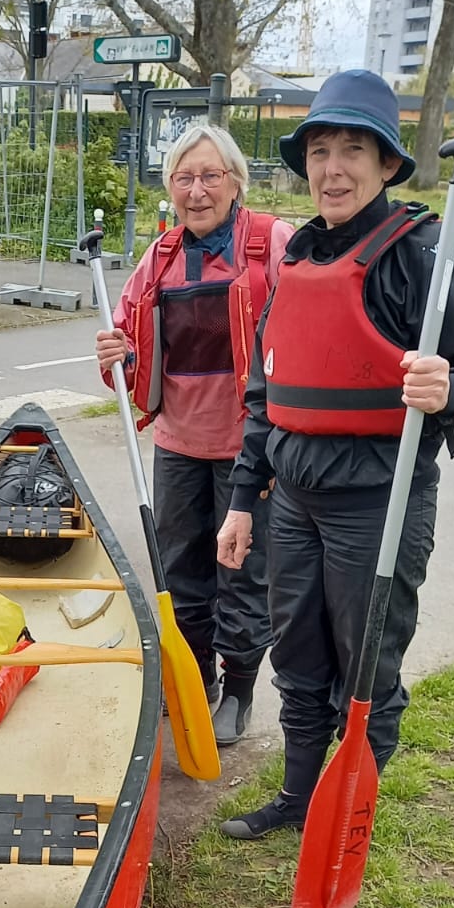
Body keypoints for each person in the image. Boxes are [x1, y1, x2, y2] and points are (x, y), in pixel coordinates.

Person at [217, 69, 454, 838]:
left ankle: (347, 815)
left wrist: (452, 387)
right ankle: (301, 801)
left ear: (386, 164)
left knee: (364, 670)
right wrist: (243, 500)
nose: (332, 168)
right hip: (294, 501)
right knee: (299, 659)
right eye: (319, 151)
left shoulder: (426, 254)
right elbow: (267, 396)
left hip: (380, 499)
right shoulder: (298, 256)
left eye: (352, 150)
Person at [95, 124, 293, 745]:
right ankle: (196, 680)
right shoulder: (158, 260)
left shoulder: (273, 245)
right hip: (177, 444)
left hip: (250, 450)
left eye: (210, 176)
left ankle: (237, 692)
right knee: (179, 573)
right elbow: (127, 359)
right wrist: (115, 354)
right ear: (169, 187)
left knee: (244, 575)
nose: (197, 190)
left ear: (235, 181)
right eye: (184, 178)